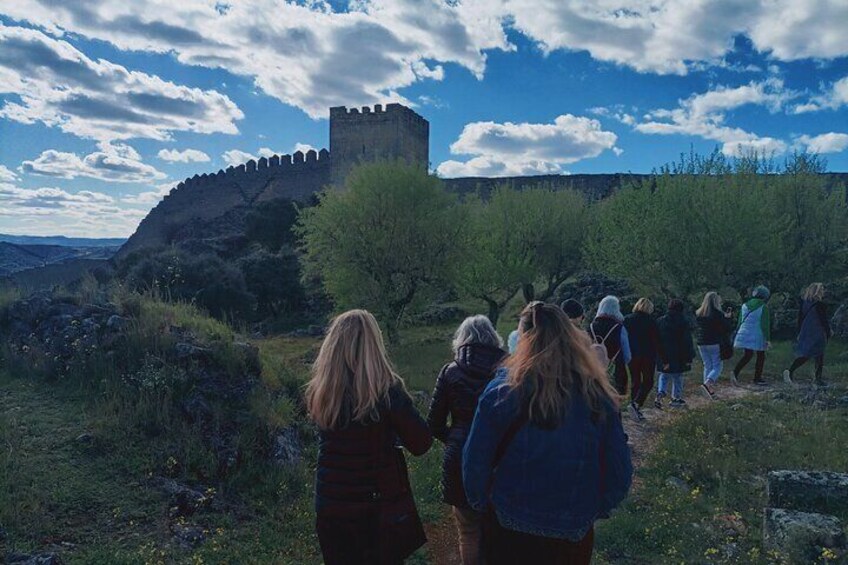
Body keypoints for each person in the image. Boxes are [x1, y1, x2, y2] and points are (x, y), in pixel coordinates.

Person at [463, 302, 633, 565]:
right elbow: (619, 473)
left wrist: (482, 503)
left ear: (522, 340)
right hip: (571, 534)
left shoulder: (501, 392)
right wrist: (592, 509)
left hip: (508, 524)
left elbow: (475, 462)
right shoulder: (598, 396)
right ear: (570, 338)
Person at [305, 310, 433, 565]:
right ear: (374, 345)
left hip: (331, 509)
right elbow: (422, 443)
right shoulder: (387, 393)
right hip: (375, 512)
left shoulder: (321, 393)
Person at [427, 316, 507, 565]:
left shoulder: (450, 371)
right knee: (501, 529)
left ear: (461, 340)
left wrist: (456, 439)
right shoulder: (509, 370)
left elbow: (434, 424)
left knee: (468, 532)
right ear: (493, 337)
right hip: (500, 458)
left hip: (459, 457)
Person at [783, 283, 832, 386]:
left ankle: (815, 377)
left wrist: (799, 331)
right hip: (817, 331)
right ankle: (814, 377)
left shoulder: (804, 303)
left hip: (806, 331)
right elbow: (823, 320)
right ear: (818, 291)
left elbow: (800, 319)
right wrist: (828, 332)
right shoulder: (820, 304)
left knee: (809, 353)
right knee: (816, 354)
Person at [655, 299, 695, 409]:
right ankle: (676, 398)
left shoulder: (660, 321)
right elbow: (687, 341)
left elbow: (657, 339)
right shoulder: (683, 322)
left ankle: (660, 394)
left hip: (663, 353)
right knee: (677, 377)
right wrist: (689, 357)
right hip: (679, 354)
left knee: (664, 375)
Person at [623, 298, 659, 420]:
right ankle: (636, 403)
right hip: (648, 355)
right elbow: (656, 340)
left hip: (632, 354)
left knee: (635, 381)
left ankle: (634, 404)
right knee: (648, 381)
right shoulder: (651, 321)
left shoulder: (627, 319)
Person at [590, 295, 632, 396]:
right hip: (615, 369)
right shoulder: (619, 327)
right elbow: (627, 355)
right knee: (615, 399)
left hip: (594, 370)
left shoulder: (591, 326)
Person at [695, 292, 735, 398]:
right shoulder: (718, 314)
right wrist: (728, 318)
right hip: (714, 342)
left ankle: (708, 390)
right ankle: (707, 384)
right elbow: (726, 328)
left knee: (707, 365)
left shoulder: (700, 313)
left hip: (701, 342)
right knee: (717, 366)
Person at [732, 286, 771, 386]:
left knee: (747, 355)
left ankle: (735, 373)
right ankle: (757, 378)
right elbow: (765, 325)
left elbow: (740, 320)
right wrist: (767, 339)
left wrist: (737, 332)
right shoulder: (764, 307)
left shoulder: (744, 305)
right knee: (761, 355)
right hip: (757, 334)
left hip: (744, 333)